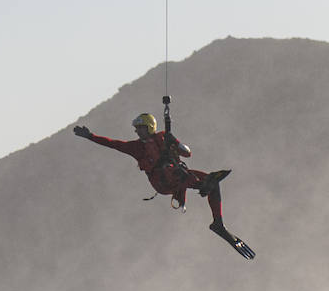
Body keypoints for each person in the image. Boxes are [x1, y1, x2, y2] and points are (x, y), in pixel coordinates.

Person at [73, 98, 254, 258]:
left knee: (211, 182)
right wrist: (90, 136)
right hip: (163, 182)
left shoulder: (163, 137)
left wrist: (172, 140)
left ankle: (218, 222)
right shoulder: (136, 147)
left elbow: (187, 153)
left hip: (180, 175)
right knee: (175, 171)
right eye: (136, 129)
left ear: (149, 127)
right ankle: (202, 186)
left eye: (140, 128)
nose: (137, 132)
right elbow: (113, 144)